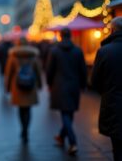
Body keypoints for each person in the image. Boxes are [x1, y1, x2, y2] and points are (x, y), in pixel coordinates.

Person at [46, 27, 87, 155]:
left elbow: (49, 70)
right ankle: (61, 137)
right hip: (74, 85)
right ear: (70, 36)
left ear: (60, 36)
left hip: (59, 86)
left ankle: (73, 142)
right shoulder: (78, 51)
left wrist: (49, 83)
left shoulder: (54, 51)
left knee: (65, 114)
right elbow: (83, 70)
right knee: (69, 113)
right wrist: (83, 85)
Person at [91, 17, 122, 161]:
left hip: (113, 104)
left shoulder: (104, 51)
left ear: (112, 30)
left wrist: (107, 92)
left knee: (117, 146)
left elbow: (95, 81)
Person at [5, 37, 42, 144]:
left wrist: (7, 87)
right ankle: (26, 129)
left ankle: (23, 129)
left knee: (21, 110)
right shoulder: (33, 55)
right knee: (28, 109)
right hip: (30, 86)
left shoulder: (13, 55)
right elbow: (38, 71)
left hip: (17, 87)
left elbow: (9, 73)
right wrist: (39, 85)